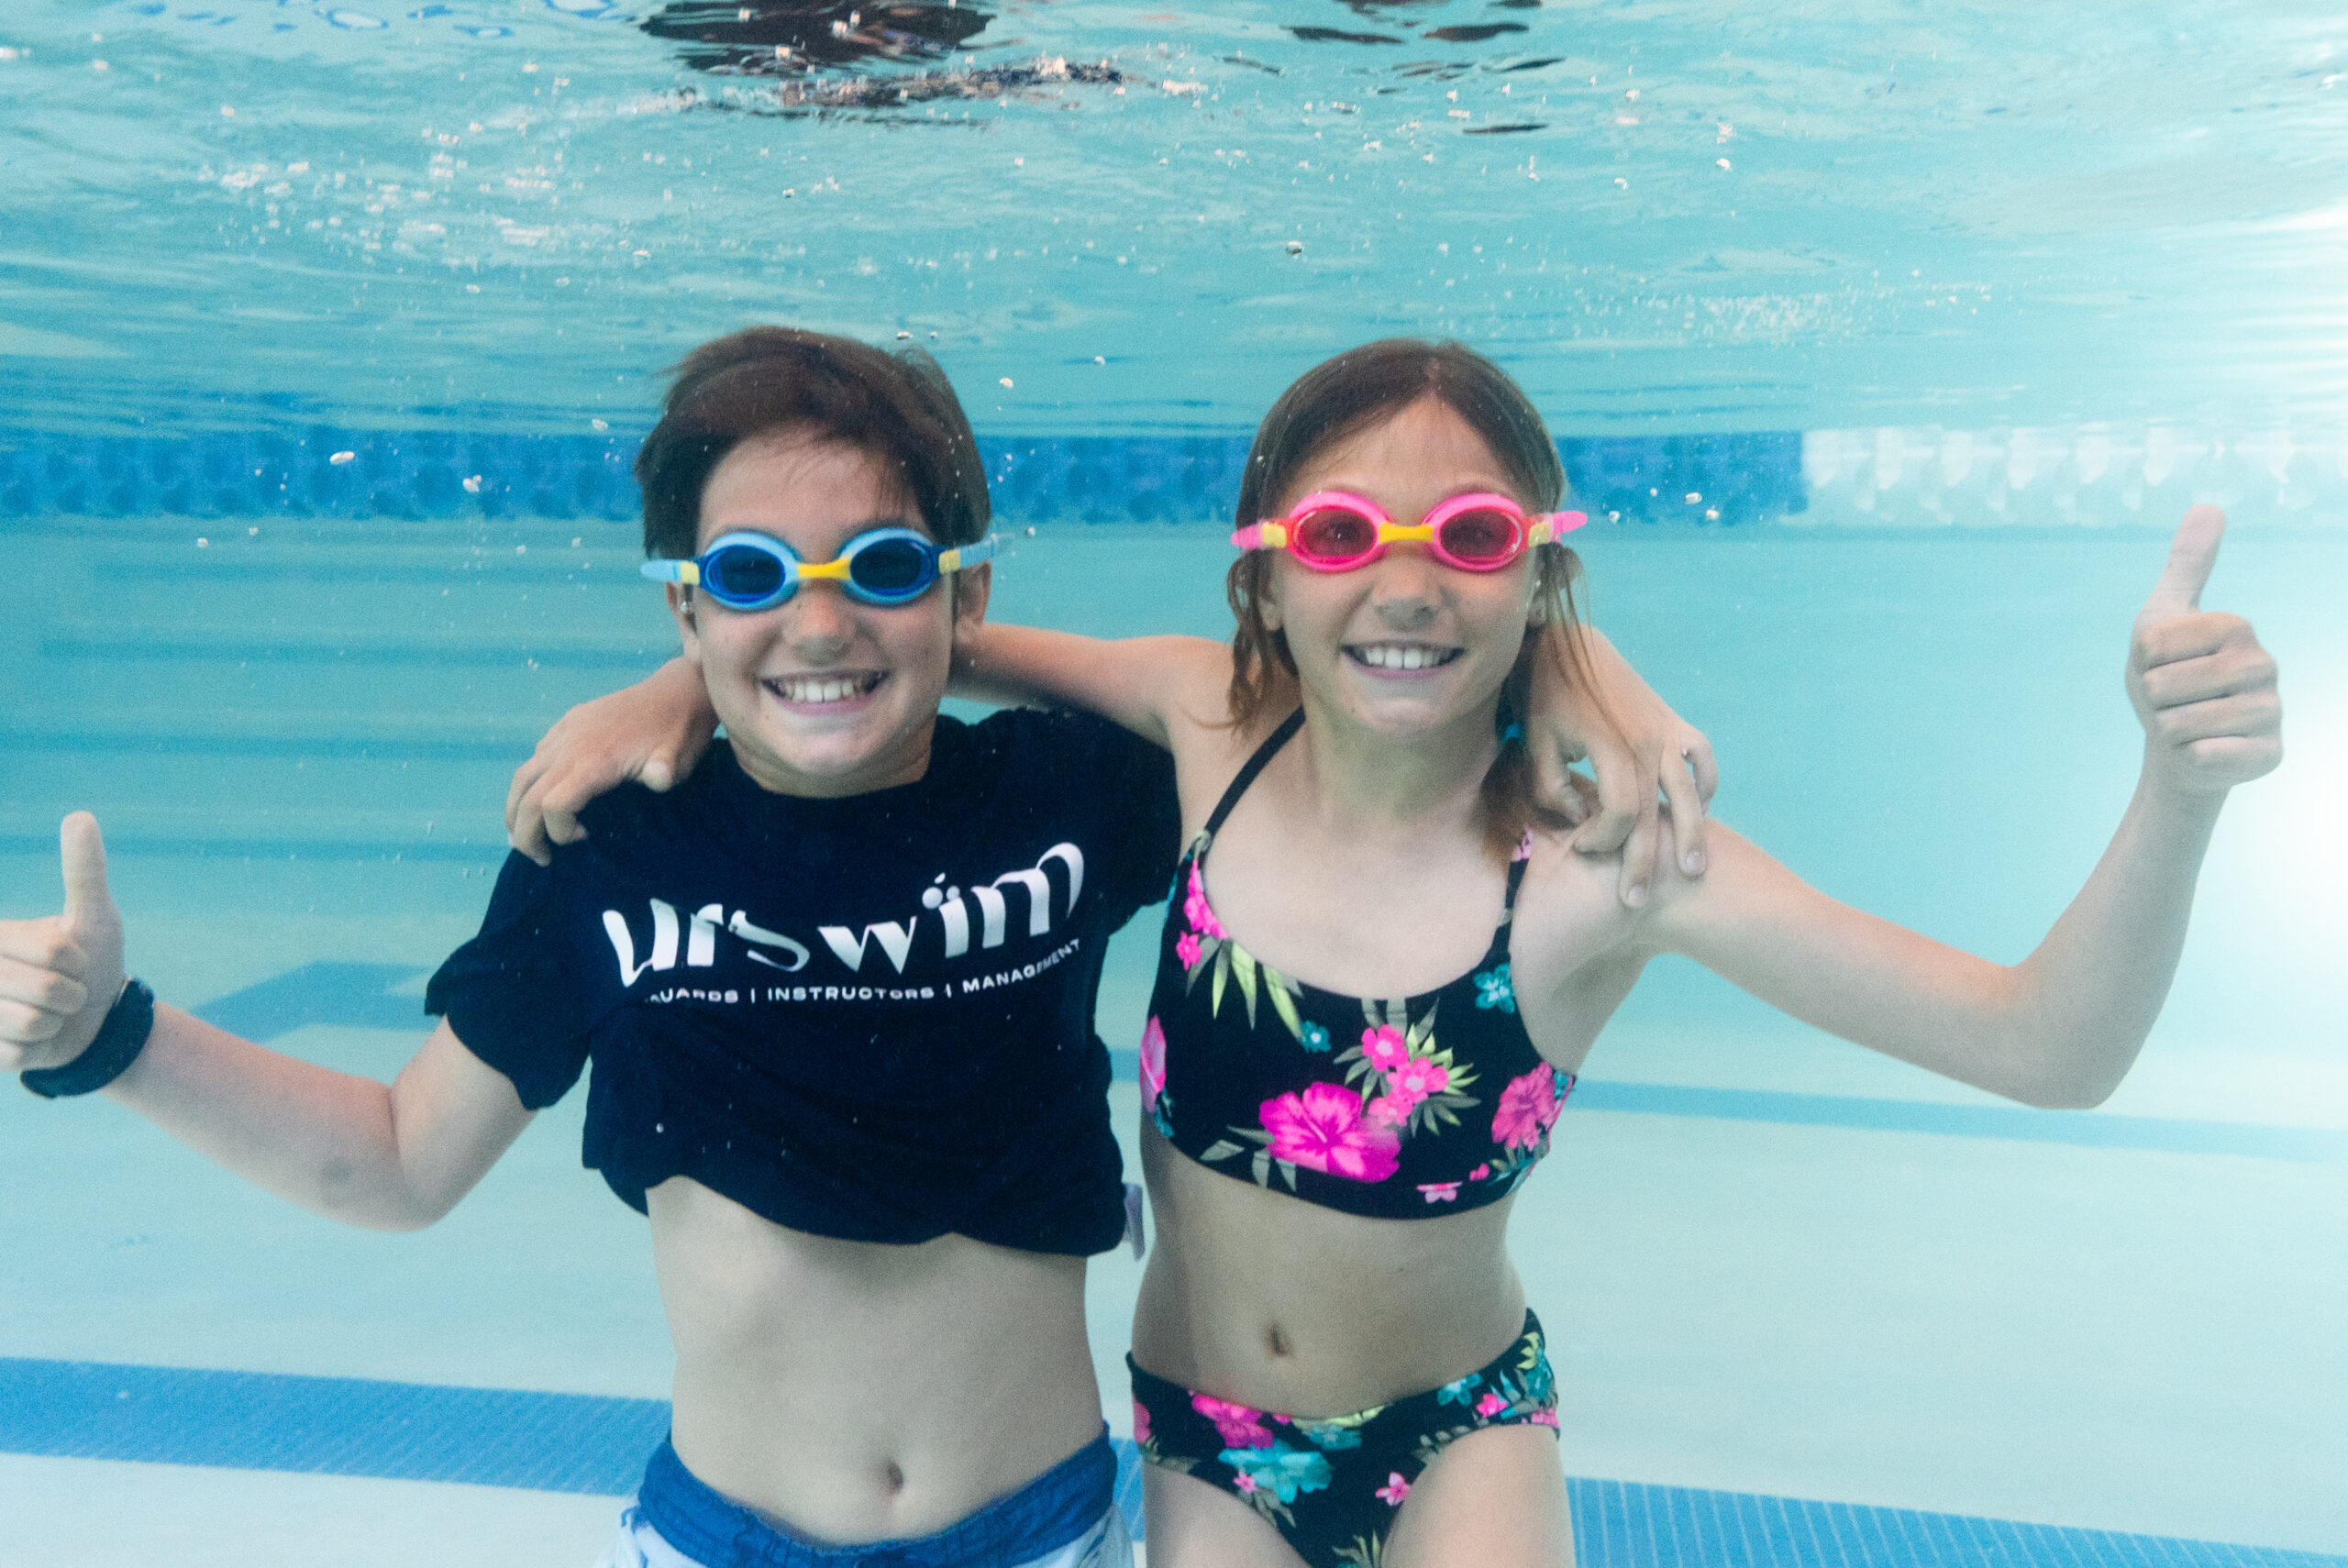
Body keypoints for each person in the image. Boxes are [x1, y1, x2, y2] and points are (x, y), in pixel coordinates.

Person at [505, 338, 2282, 1568]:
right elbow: (889, 637)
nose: (1408, 582)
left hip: (1459, 1431)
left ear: (1538, 577)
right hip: (1200, 1437)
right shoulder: (1213, 725)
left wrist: (2175, 791)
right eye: (1347, 536)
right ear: (1265, 578)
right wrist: (679, 673)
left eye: (1477, 539)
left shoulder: (1611, 866)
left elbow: (2046, 1050)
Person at [0, 329, 1709, 1568]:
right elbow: (391, 1164)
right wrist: (114, 1038)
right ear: (682, 599)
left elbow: (1358, 693)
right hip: (718, 1533)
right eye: (749, 577)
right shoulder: (616, 844)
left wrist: (1577, 666)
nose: (818, 618)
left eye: (881, 566)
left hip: (1040, 1529)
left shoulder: (1076, 791)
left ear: (962, 597)